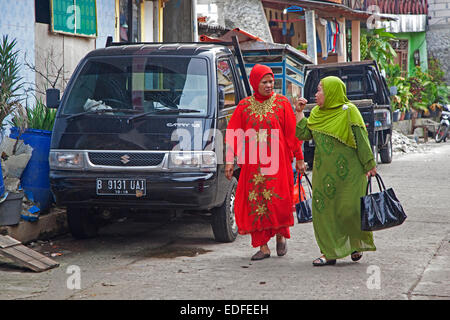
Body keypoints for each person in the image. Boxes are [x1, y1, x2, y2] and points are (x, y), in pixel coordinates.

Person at [224, 64, 306, 261]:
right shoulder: (244, 106)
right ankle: (263, 246)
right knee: (256, 202)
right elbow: (233, 134)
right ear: (255, 83)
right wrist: (229, 161)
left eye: (271, 81)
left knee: (278, 201)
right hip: (253, 166)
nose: (269, 85)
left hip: (279, 165)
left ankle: (280, 236)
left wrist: (300, 157)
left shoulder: (282, 104)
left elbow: (291, 133)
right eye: (265, 82)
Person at [294, 76, 377, 266]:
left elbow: (362, 140)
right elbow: (303, 134)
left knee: (350, 210)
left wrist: (369, 165)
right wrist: (299, 113)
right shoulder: (315, 113)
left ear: (332, 92)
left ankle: (355, 244)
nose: (316, 94)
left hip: (351, 174)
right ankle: (328, 252)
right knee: (324, 212)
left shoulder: (350, 112)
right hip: (324, 174)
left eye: (320, 90)